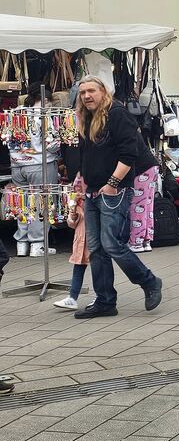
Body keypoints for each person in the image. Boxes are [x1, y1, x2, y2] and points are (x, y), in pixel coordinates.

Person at [73, 76, 163, 319]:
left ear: (103, 92)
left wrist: (113, 184)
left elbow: (129, 152)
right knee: (96, 248)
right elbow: (87, 153)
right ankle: (105, 301)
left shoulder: (117, 113)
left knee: (111, 243)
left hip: (115, 189)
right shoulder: (88, 116)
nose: (86, 96)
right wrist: (81, 181)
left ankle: (149, 281)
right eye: (82, 92)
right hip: (93, 189)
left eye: (91, 91)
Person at [10, 86, 61, 257]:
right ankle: (38, 243)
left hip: (17, 165)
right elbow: (51, 144)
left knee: (23, 202)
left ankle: (22, 242)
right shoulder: (44, 115)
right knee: (42, 203)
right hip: (40, 164)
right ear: (46, 100)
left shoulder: (15, 114)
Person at [54, 174, 89, 311]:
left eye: (80, 189)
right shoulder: (76, 203)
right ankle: (72, 297)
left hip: (92, 239)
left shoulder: (92, 203)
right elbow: (72, 224)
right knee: (78, 267)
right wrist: (73, 210)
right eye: (76, 189)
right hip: (80, 240)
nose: (78, 192)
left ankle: (101, 295)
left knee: (100, 267)